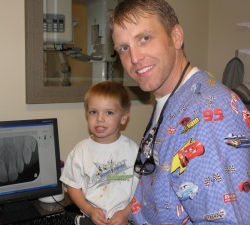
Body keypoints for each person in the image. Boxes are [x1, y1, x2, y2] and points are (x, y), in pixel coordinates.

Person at [109, 0, 250, 224]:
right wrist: (129, 212)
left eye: (144, 38)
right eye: (124, 48)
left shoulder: (207, 114)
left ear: (176, 36)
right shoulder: (170, 98)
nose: (134, 58)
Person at [60, 80, 139, 225]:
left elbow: (143, 188)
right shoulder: (81, 151)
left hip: (125, 218)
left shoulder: (133, 150)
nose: (99, 119)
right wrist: (89, 210)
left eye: (109, 112)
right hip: (91, 218)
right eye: (93, 112)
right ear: (86, 115)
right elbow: (72, 185)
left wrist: (126, 213)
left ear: (123, 117)